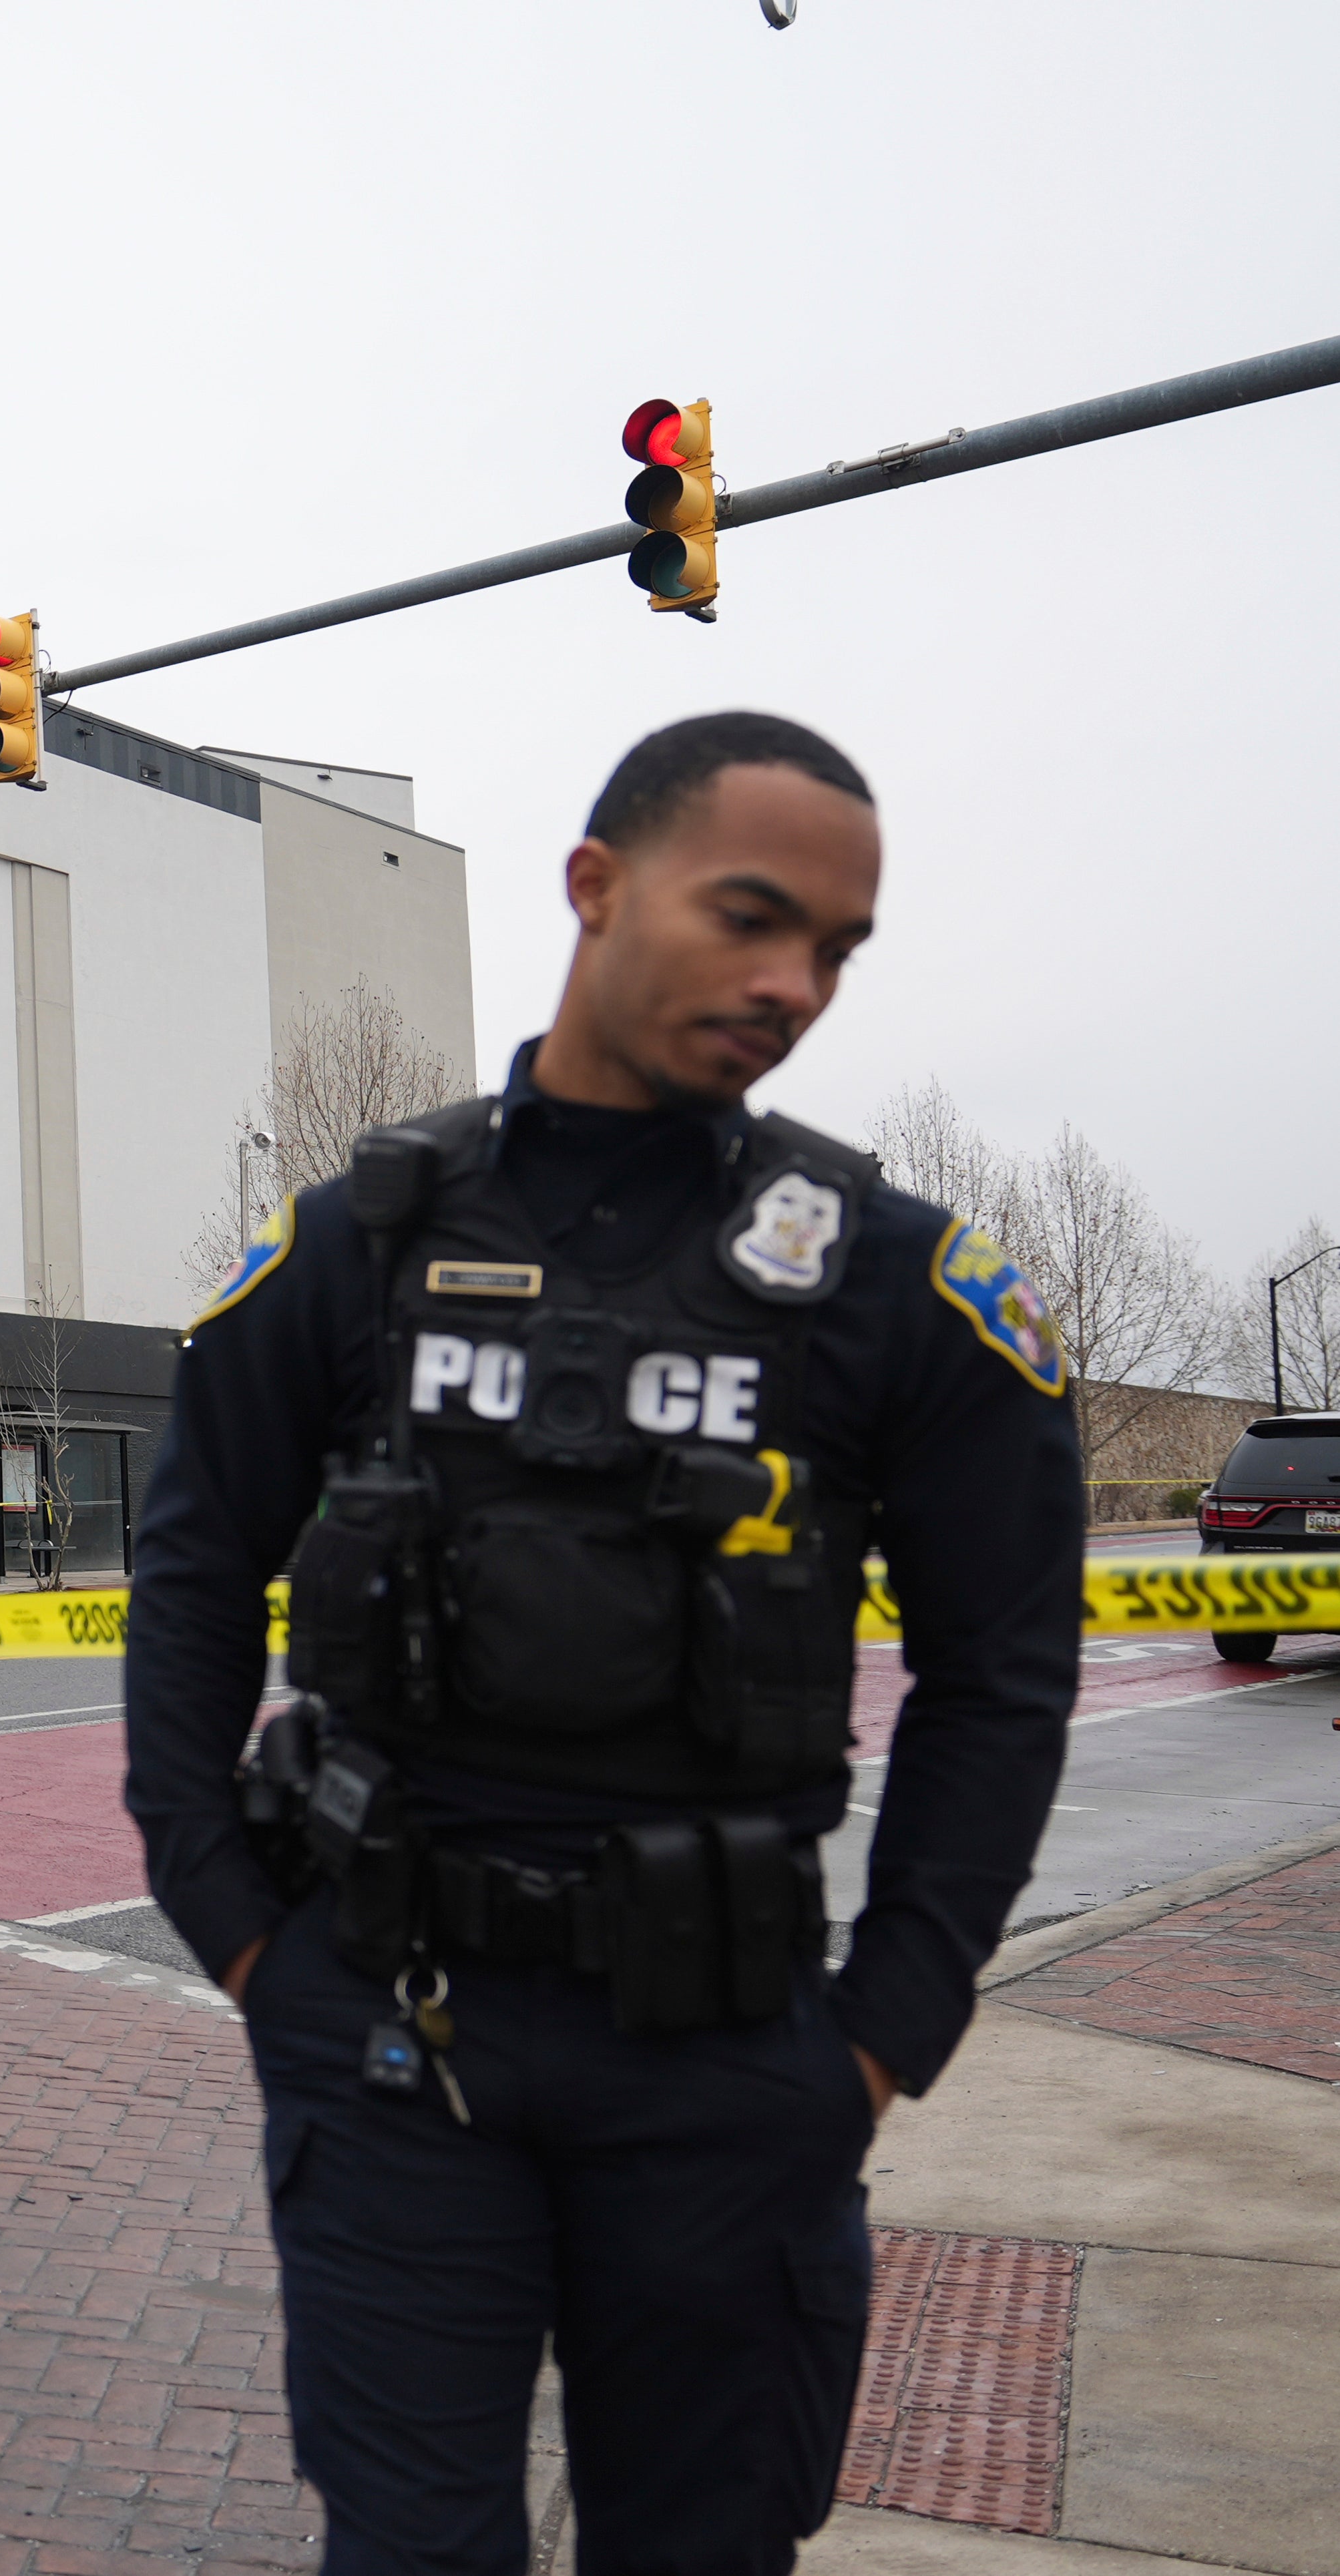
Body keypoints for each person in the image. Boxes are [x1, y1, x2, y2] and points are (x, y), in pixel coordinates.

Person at [124, 711, 1081, 2575]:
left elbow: (1003, 1674)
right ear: (592, 884)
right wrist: (237, 1930)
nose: (790, 982)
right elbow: (187, 1570)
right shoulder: (360, 1240)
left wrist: (881, 2036)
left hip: (730, 2061)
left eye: (833, 948)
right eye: (749, 916)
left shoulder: (891, 1279)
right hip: (390, 2037)